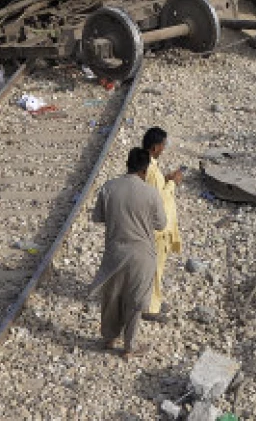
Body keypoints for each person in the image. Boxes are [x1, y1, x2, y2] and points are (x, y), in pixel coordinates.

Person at [89, 147, 166, 357]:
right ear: (146, 169)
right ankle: (130, 347)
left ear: (127, 164)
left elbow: (98, 217)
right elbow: (161, 224)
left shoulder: (109, 188)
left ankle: (109, 338)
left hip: (115, 252)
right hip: (142, 255)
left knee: (112, 296)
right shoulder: (151, 193)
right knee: (135, 300)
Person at [141, 127, 183, 322]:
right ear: (156, 147)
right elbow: (157, 199)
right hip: (157, 229)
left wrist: (165, 179)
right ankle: (149, 307)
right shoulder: (150, 169)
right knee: (154, 267)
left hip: (156, 227)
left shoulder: (149, 166)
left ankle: (154, 300)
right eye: (163, 145)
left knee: (156, 266)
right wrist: (173, 183)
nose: (164, 148)